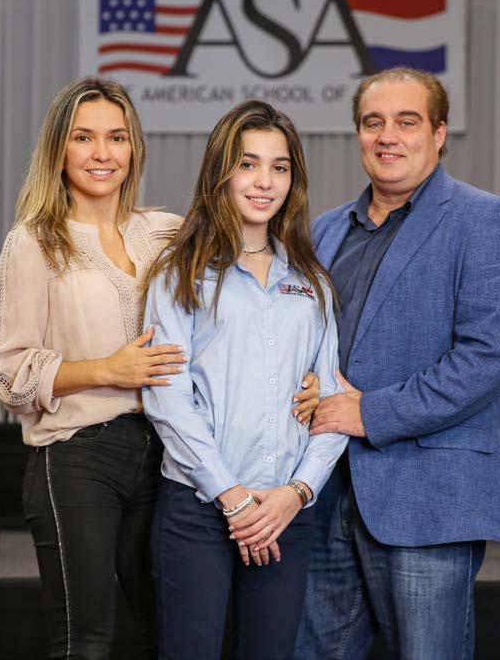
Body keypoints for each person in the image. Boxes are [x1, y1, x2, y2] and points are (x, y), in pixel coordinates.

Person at [0, 78, 319, 660]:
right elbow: (7, 375)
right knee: (87, 638)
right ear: (58, 150)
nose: (102, 153)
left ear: (134, 148)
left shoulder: (166, 231)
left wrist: (301, 376)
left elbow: (240, 312)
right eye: (83, 138)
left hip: (163, 455)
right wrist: (106, 369)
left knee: (164, 635)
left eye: (116, 137)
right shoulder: (35, 242)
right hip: (78, 455)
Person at [295, 68, 500, 660]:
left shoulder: (483, 219)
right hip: (324, 493)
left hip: (428, 495)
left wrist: (369, 413)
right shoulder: (324, 232)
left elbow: (489, 356)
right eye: (373, 122)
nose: (387, 136)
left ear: (439, 132)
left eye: (407, 121)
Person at [142, 100, 349, 660]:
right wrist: (231, 497)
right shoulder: (180, 274)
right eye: (248, 164)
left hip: (285, 514)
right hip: (200, 508)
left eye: (279, 167)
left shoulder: (312, 283)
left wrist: (296, 493)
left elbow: (331, 401)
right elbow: (166, 399)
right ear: (221, 172)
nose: (264, 182)